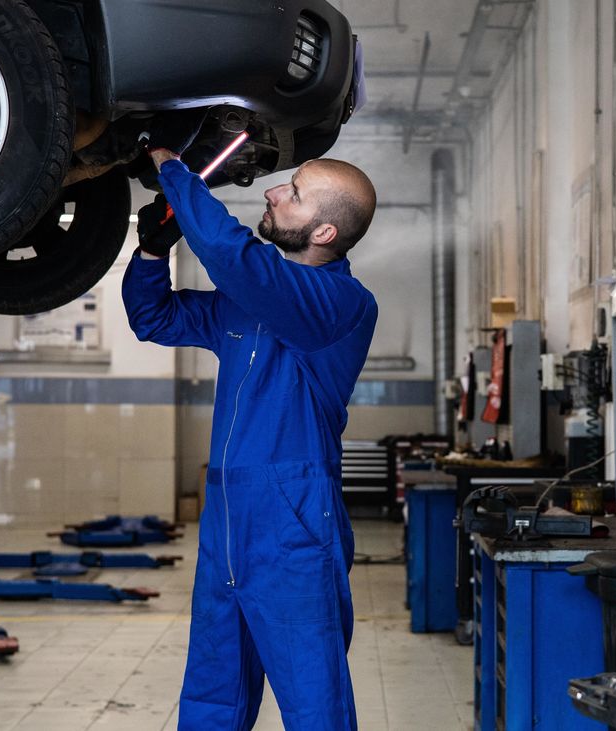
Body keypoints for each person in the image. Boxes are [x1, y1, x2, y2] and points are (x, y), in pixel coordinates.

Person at [122, 113, 378, 730]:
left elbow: (234, 257)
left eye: (290, 192)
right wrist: (152, 252)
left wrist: (172, 169)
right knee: (213, 693)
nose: (271, 190)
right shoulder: (249, 301)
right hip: (227, 521)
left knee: (314, 702)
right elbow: (154, 319)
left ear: (323, 230)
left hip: (293, 526)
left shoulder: (341, 305)